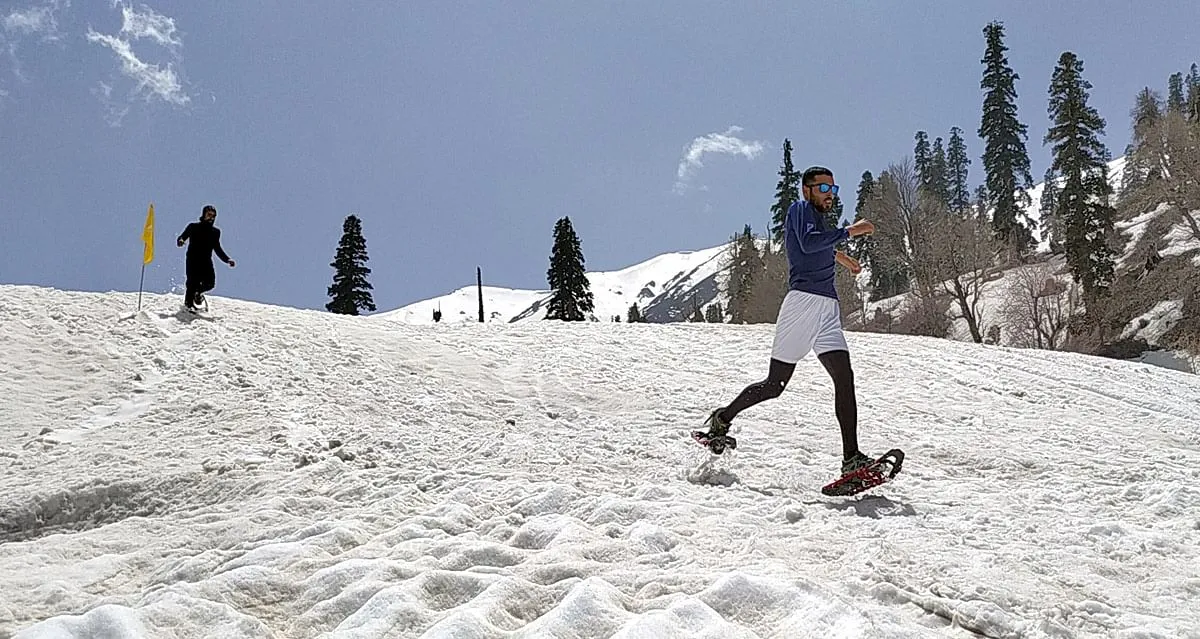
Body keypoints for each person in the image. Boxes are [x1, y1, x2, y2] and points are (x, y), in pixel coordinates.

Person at [694, 166, 877, 477]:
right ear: (807, 190)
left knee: (844, 378)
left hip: (827, 309)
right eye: (823, 189)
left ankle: (851, 459)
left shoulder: (817, 218)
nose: (830, 195)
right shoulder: (799, 209)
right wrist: (850, 231)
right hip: (803, 303)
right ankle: (722, 419)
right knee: (774, 385)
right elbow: (807, 243)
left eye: (833, 189)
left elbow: (814, 244)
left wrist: (840, 257)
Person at [177, 205, 235, 311]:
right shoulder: (193, 227)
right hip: (193, 260)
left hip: (206, 261)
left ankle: (197, 294)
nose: (211, 218)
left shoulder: (215, 232)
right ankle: (188, 306)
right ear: (203, 215)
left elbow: (217, 248)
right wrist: (181, 241)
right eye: (209, 215)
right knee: (192, 283)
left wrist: (227, 259)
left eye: (213, 216)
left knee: (210, 283)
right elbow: (182, 237)